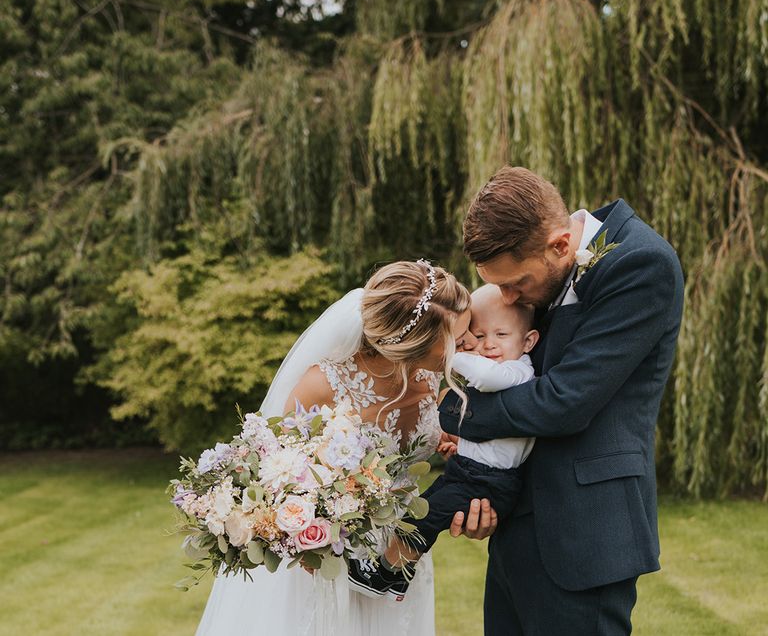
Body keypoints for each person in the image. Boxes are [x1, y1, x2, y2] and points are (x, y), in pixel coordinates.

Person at [439, 166, 685, 636]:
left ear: (559, 245)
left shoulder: (640, 263)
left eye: (515, 284)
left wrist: (455, 412)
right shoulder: (548, 267)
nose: (506, 298)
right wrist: (484, 488)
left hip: (585, 532)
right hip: (514, 522)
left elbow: (565, 400)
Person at [196, 259, 471, 636]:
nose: (468, 342)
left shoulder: (436, 380)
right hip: (329, 559)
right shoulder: (321, 385)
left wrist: (445, 441)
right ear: (411, 344)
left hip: (401, 553)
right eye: (457, 336)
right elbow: (274, 478)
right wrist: (308, 531)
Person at [347, 284, 539, 600]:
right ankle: (397, 573)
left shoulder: (517, 372)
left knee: (428, 515)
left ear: (529, 340)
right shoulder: (502, 364)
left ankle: (385, 573)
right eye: (478, 336)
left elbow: (486, 377)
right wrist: (462, 444)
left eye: (500, 335)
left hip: (489, 483)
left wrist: (454, 354)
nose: (487, 345)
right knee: (422, 509)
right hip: (469, 469)